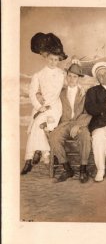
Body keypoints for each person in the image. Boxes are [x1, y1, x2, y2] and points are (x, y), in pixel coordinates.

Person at [21, 32, 68, 175]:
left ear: (59, 59)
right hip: (42, 108)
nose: (53, 62)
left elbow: (70, 86)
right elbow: (32, 93)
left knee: (38, 124)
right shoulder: (38, 75)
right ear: (46, 58)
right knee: (38, 124)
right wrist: (39, 106)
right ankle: (42, 154)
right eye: (51, 59)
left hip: (55, 108)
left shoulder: (62, 74)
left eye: (56, 60)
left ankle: (32, 157)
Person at [49, 63, 92, 183]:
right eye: (70, 76)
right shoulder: (60, 92)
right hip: (64, 124)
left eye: (75, 77)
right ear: (66, 77)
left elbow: (88, 112)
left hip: (79, 123)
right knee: (53, 136)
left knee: (85, 136)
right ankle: (67, 169)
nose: (72, 79)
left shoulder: (84, 93)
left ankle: (83, 170)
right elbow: (50, 101)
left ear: (78, 79)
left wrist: (79, 124)